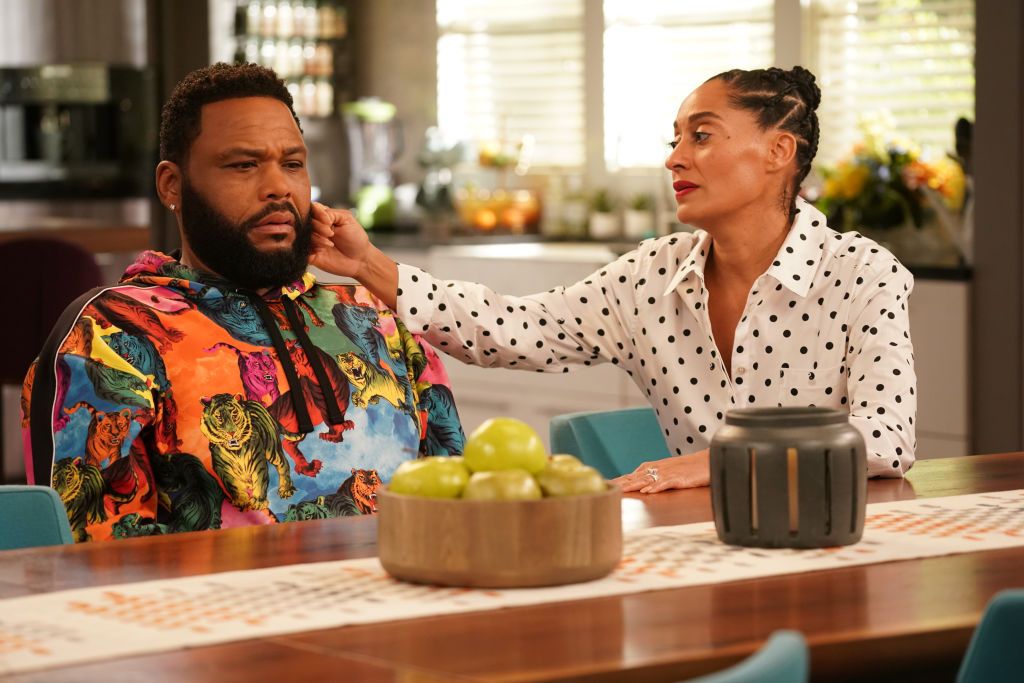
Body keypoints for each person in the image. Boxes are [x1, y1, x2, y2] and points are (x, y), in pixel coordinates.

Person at [309, 65, 917, 495]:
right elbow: (516, 329)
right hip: (699, 548)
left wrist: (716, 462)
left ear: (779, 151)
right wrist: (367, 265)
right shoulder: (650, 277)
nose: (674, 157)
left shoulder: (862, 273)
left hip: (834, 538)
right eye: (675, 138)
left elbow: (885, 439)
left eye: (701, 136)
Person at [22, 63, 465, 542]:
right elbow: (89, 561)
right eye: (244, 165)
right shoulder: (111, 335)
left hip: (398, 605)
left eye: (293, 164)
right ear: (172, 185)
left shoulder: (373, 317)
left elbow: (455, 507)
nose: (279, 187)